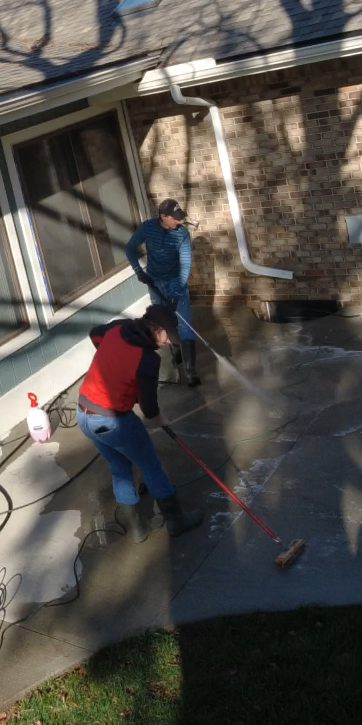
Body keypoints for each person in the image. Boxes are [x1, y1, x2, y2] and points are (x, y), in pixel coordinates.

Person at [76, 304, 206, 542]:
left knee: (119, 469)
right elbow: (148, 408)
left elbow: (95, 333)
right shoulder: (147, 360)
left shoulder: (119, 328)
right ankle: (176, 521)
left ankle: (138, 529)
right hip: (112, 422)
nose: (169, 343)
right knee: (151, 466)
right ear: (156, 329)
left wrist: (115, 370)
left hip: (84, 415)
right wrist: (160, 418)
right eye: (168, 336)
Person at [126, 198, 198, 386]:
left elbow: (185, 265)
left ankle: (191, 373)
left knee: (184, 325)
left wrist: (176, 291)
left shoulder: (181, 234)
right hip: (155, 283)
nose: (179, 221)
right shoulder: (148, 228)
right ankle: (176, 355)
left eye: (180, 217)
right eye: (175, 218)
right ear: (163, 216)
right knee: (163, 325)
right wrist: (138, 271)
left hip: (176, 282)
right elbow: (130, 248)